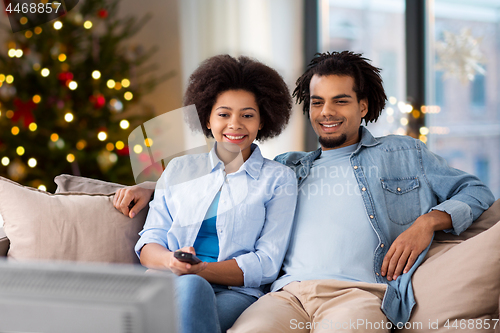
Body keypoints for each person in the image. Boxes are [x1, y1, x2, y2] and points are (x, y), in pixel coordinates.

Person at [117, 51, 495, 332]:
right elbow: (229, 175)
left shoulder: (403, 152)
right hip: (286, 295)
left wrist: (427, 222)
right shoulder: (289, 166)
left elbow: (475, 191)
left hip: (358, 294)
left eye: (341, 100)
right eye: (317, 102)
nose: (326, 112)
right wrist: (153, 187)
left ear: (363, 106)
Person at [114, 54, 298, 333]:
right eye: (223, 114)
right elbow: (151, 239)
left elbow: (266, 262)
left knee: (191, 292)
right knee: (189, 289)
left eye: (247, 115)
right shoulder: (178, 170)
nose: (235, 125)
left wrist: (200, 271)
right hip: (168, 283)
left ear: (262, 121)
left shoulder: (278, 179)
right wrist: (172, 263)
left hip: (236, 294)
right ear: (207, 119)